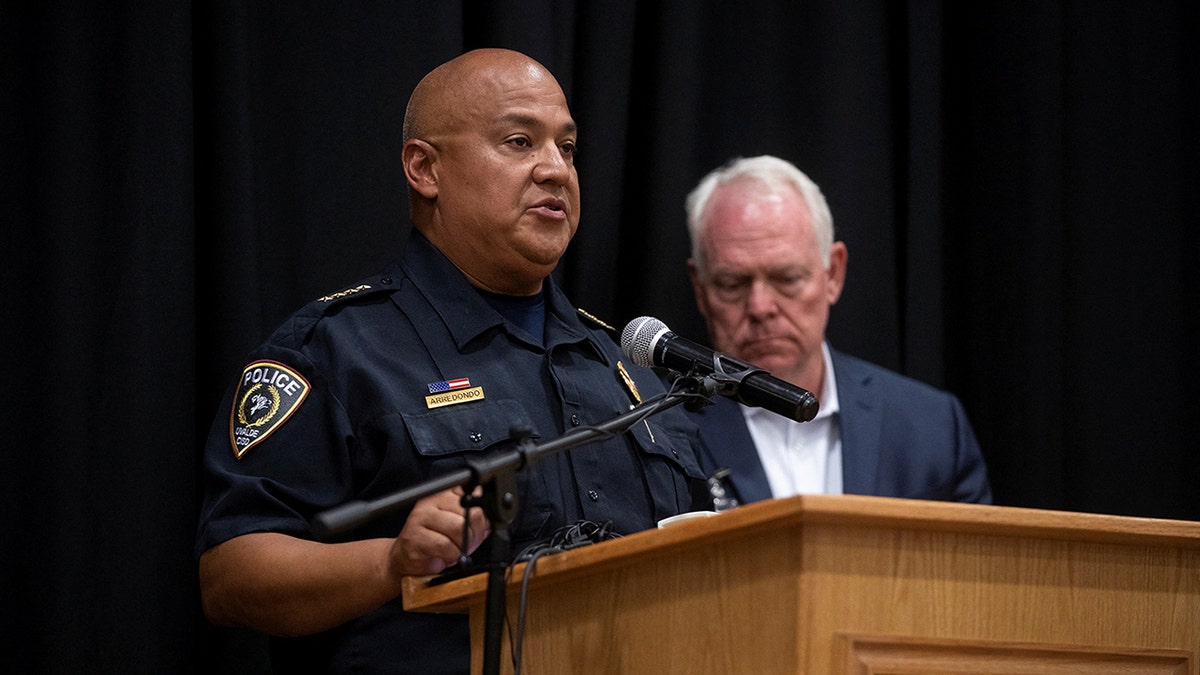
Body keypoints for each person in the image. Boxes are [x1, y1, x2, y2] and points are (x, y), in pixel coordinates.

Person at [196, 48, 710, 674]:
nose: (556, 169)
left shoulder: (625, 366)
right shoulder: (336, 350)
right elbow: (231, 577)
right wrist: (392, 562)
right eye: (521, 141)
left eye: (568, 148)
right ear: (425, 168)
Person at [683, 155, 991, 505]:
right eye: (732, 283)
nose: (760, 307)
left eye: (787, 279)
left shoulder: (931, 427)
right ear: (700, 288)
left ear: (833, 274)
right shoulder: (657, 430)